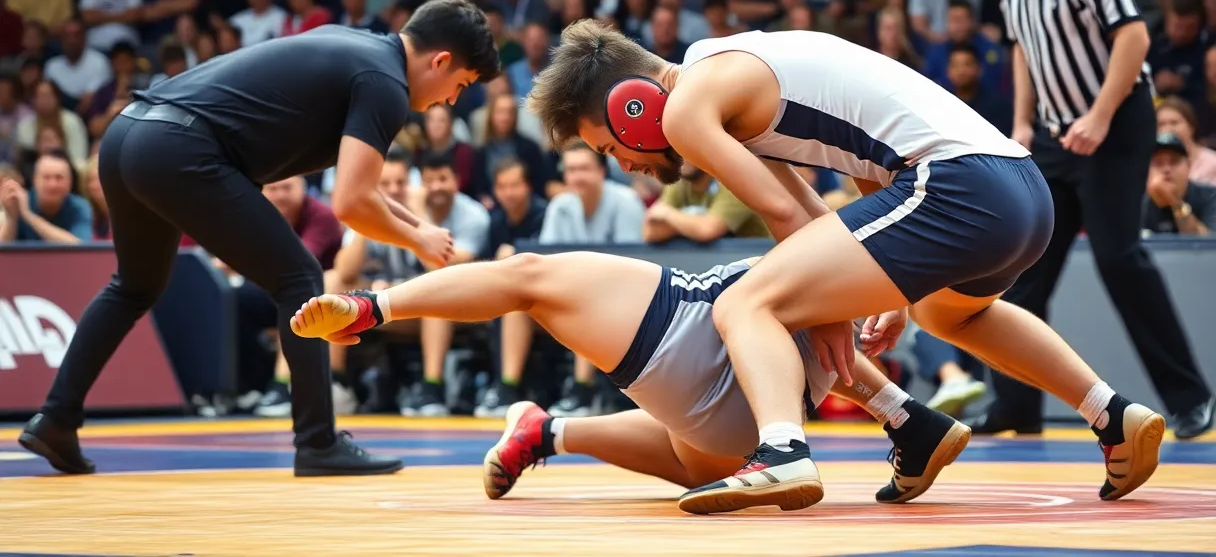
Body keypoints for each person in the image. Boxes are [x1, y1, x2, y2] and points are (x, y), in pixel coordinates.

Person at [525, 15, 1164, 514]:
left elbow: (784, 215)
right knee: (952, 316)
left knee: (745, 301)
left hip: (955, 186)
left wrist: (828, 309)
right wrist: (878, 287)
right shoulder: (726, 69)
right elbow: (832, 189)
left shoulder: (691, 105)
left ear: (630, 106)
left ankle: (783, 450)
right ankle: (1111, 414)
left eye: (610, 147)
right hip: (1017, 190)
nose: (626, 165)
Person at [17, 0, 500, 478]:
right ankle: (318, 442)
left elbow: (363, 188)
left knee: (135, 286)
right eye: (459, 85)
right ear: (440, 61)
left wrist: (419, 227)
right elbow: (350, 204)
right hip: (179, 149)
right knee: (301, 277)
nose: (451, 100)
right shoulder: (386, 85)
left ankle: (57, 418)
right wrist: (416, 242)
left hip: (129, 135)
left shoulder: (360, 50)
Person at [289, 251, 971, 505]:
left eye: (614, 149)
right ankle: (549, 431)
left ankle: (372, 307)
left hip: (705, 334)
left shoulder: (717, 90)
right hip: (753, 409)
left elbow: (802, 217)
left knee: (528, 275)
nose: (625, 163)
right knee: (694, 452)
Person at [983, 0, 1214, 441]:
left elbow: (1134, 36)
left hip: (1115, 124)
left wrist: (1100, 114)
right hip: (1057, 134)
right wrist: (1022, 123)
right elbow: (1023, 47)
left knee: (1118, 257)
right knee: (1022, 272)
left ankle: (1190, 398)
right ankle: (1015, 405)